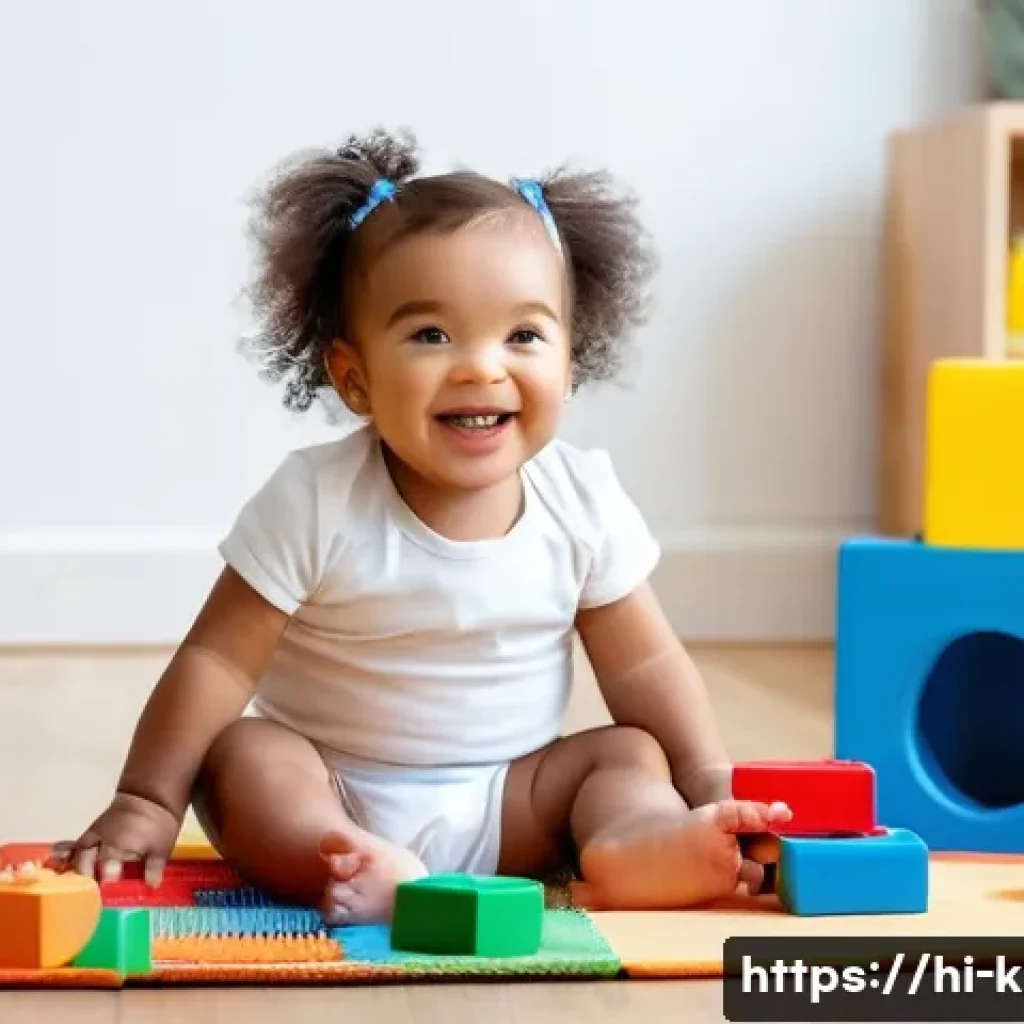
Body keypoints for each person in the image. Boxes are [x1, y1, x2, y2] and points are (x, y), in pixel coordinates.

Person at [59, 129, 789, 924]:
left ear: (571, 365)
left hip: (517, 801)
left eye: (524, 335)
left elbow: (646, 666)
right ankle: (350, 861)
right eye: (431, 335)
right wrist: (146, 798)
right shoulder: (315, 499)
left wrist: (708, 786)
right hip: (332, 788)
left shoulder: (583, 499)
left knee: (627, 754)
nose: (481, 366)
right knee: (238, 755)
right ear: (355, 378)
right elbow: (217, 662)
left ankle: (634, 844)